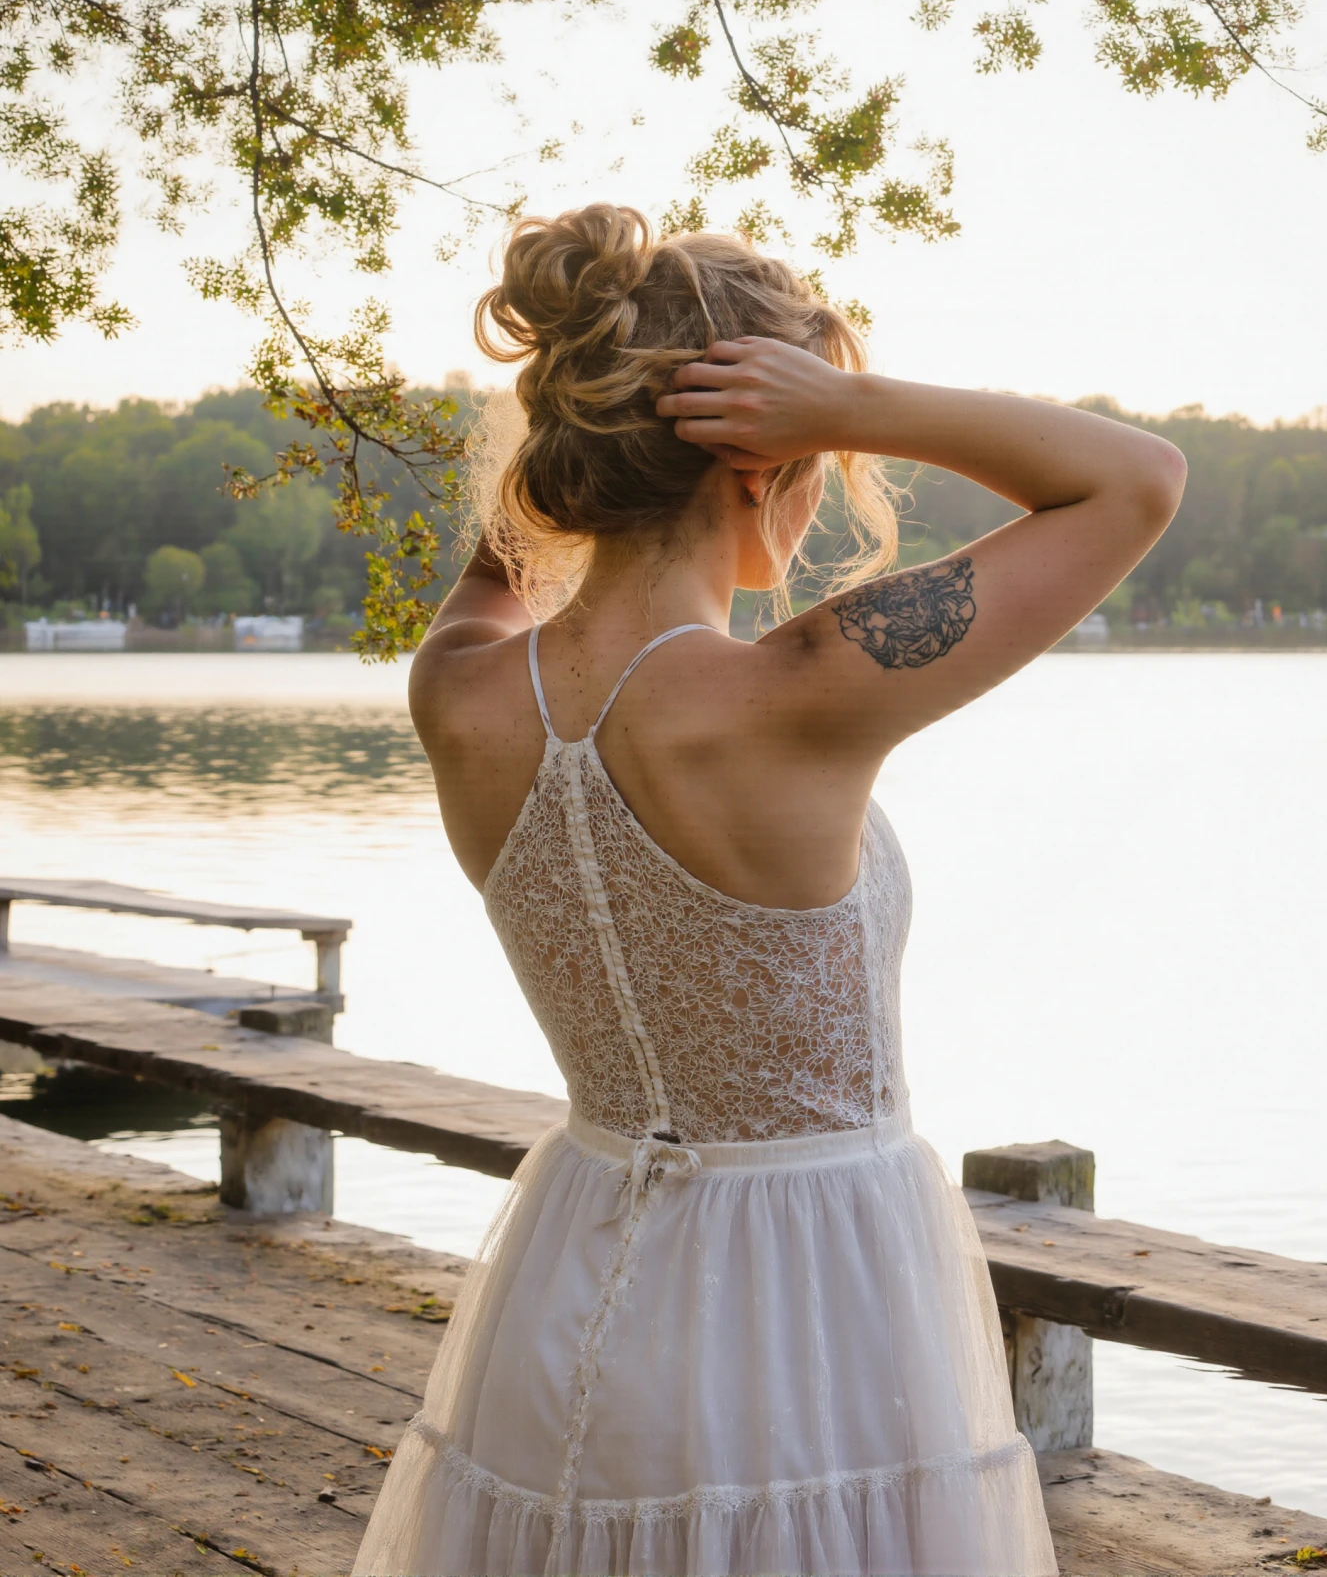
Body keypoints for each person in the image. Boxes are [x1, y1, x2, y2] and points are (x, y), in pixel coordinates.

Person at [354, 204, 1185, 1577]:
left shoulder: (459, 688)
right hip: (818, 1292)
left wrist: (612, 401)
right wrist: (850, 397)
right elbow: (1136, 480)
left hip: (575, 1262)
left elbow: (509, 549)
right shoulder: (790, 692)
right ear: (765, 461)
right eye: (819, 461)